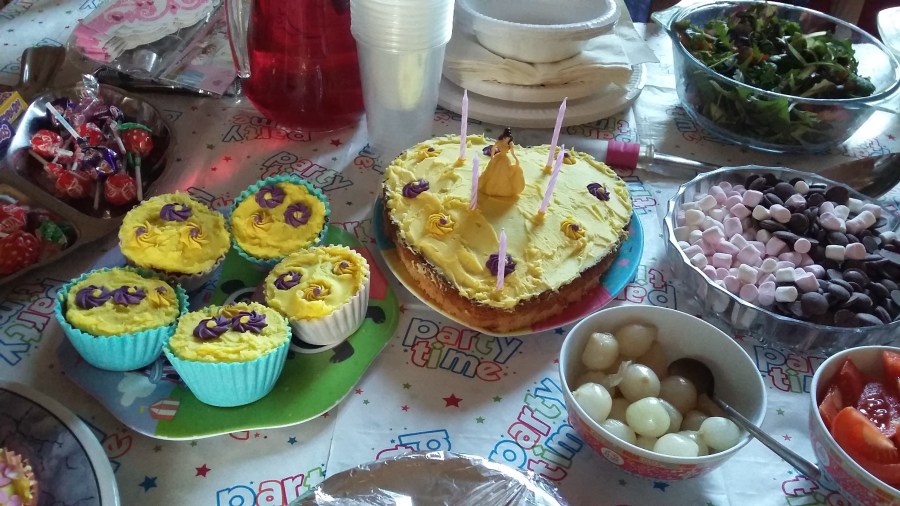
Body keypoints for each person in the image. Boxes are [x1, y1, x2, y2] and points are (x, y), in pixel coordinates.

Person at [478, 128, 525, 198]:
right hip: (497, 158)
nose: (507, 139)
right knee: (493, 172)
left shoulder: (510, 144)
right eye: (506, 138)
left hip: (505, 160)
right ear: (503, 137)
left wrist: (516, 159)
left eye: (508, 138)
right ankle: (491, 188)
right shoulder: (499, 142)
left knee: (505, 173)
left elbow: (512, 153)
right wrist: (492, 157)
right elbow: (493, 148)